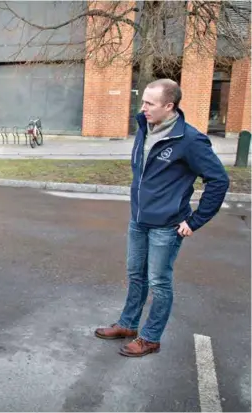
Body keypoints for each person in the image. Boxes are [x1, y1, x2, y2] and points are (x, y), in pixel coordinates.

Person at [95, 79, 229, 357]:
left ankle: (150, 338)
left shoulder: (190, 140)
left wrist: (194, 221)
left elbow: (219, 181)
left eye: (149, 103)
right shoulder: (145, 127)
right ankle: (128, 324)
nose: (142, 107)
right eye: (142, 101)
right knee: (135, 275)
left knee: (159, 282)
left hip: (167, 226)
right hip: (139, 220)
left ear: (169, 106)